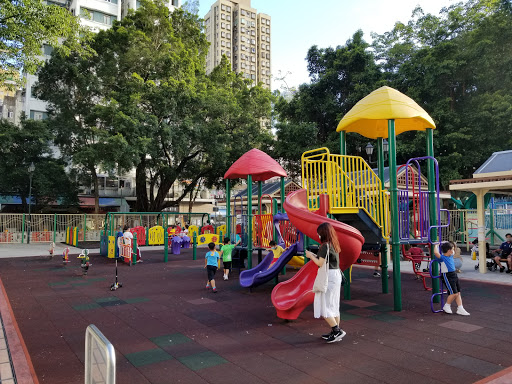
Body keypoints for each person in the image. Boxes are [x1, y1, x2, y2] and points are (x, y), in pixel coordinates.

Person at [305, 223, 346, 343]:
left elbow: (319, 263)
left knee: (325, 306)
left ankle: (337, 330)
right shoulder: (334, 244)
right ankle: (335, 332)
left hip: (329, 276)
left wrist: (310, 255)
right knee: (333, 305)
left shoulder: (325, 246)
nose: (318, 235)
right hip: (336, 274)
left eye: (319, 232)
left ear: (323, 233)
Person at [434, 242, 470, 316]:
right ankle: (447, 305)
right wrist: (436, 245)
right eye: (452, 249)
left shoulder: (451, 255)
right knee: (454, 293)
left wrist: (444, 242)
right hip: (447, 276)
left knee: (458, 292)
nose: (454, 250)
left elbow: (453, 246)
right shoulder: (442, 258)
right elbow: (436, 253)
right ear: (449, 250)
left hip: (454, 274)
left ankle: (460, 308)